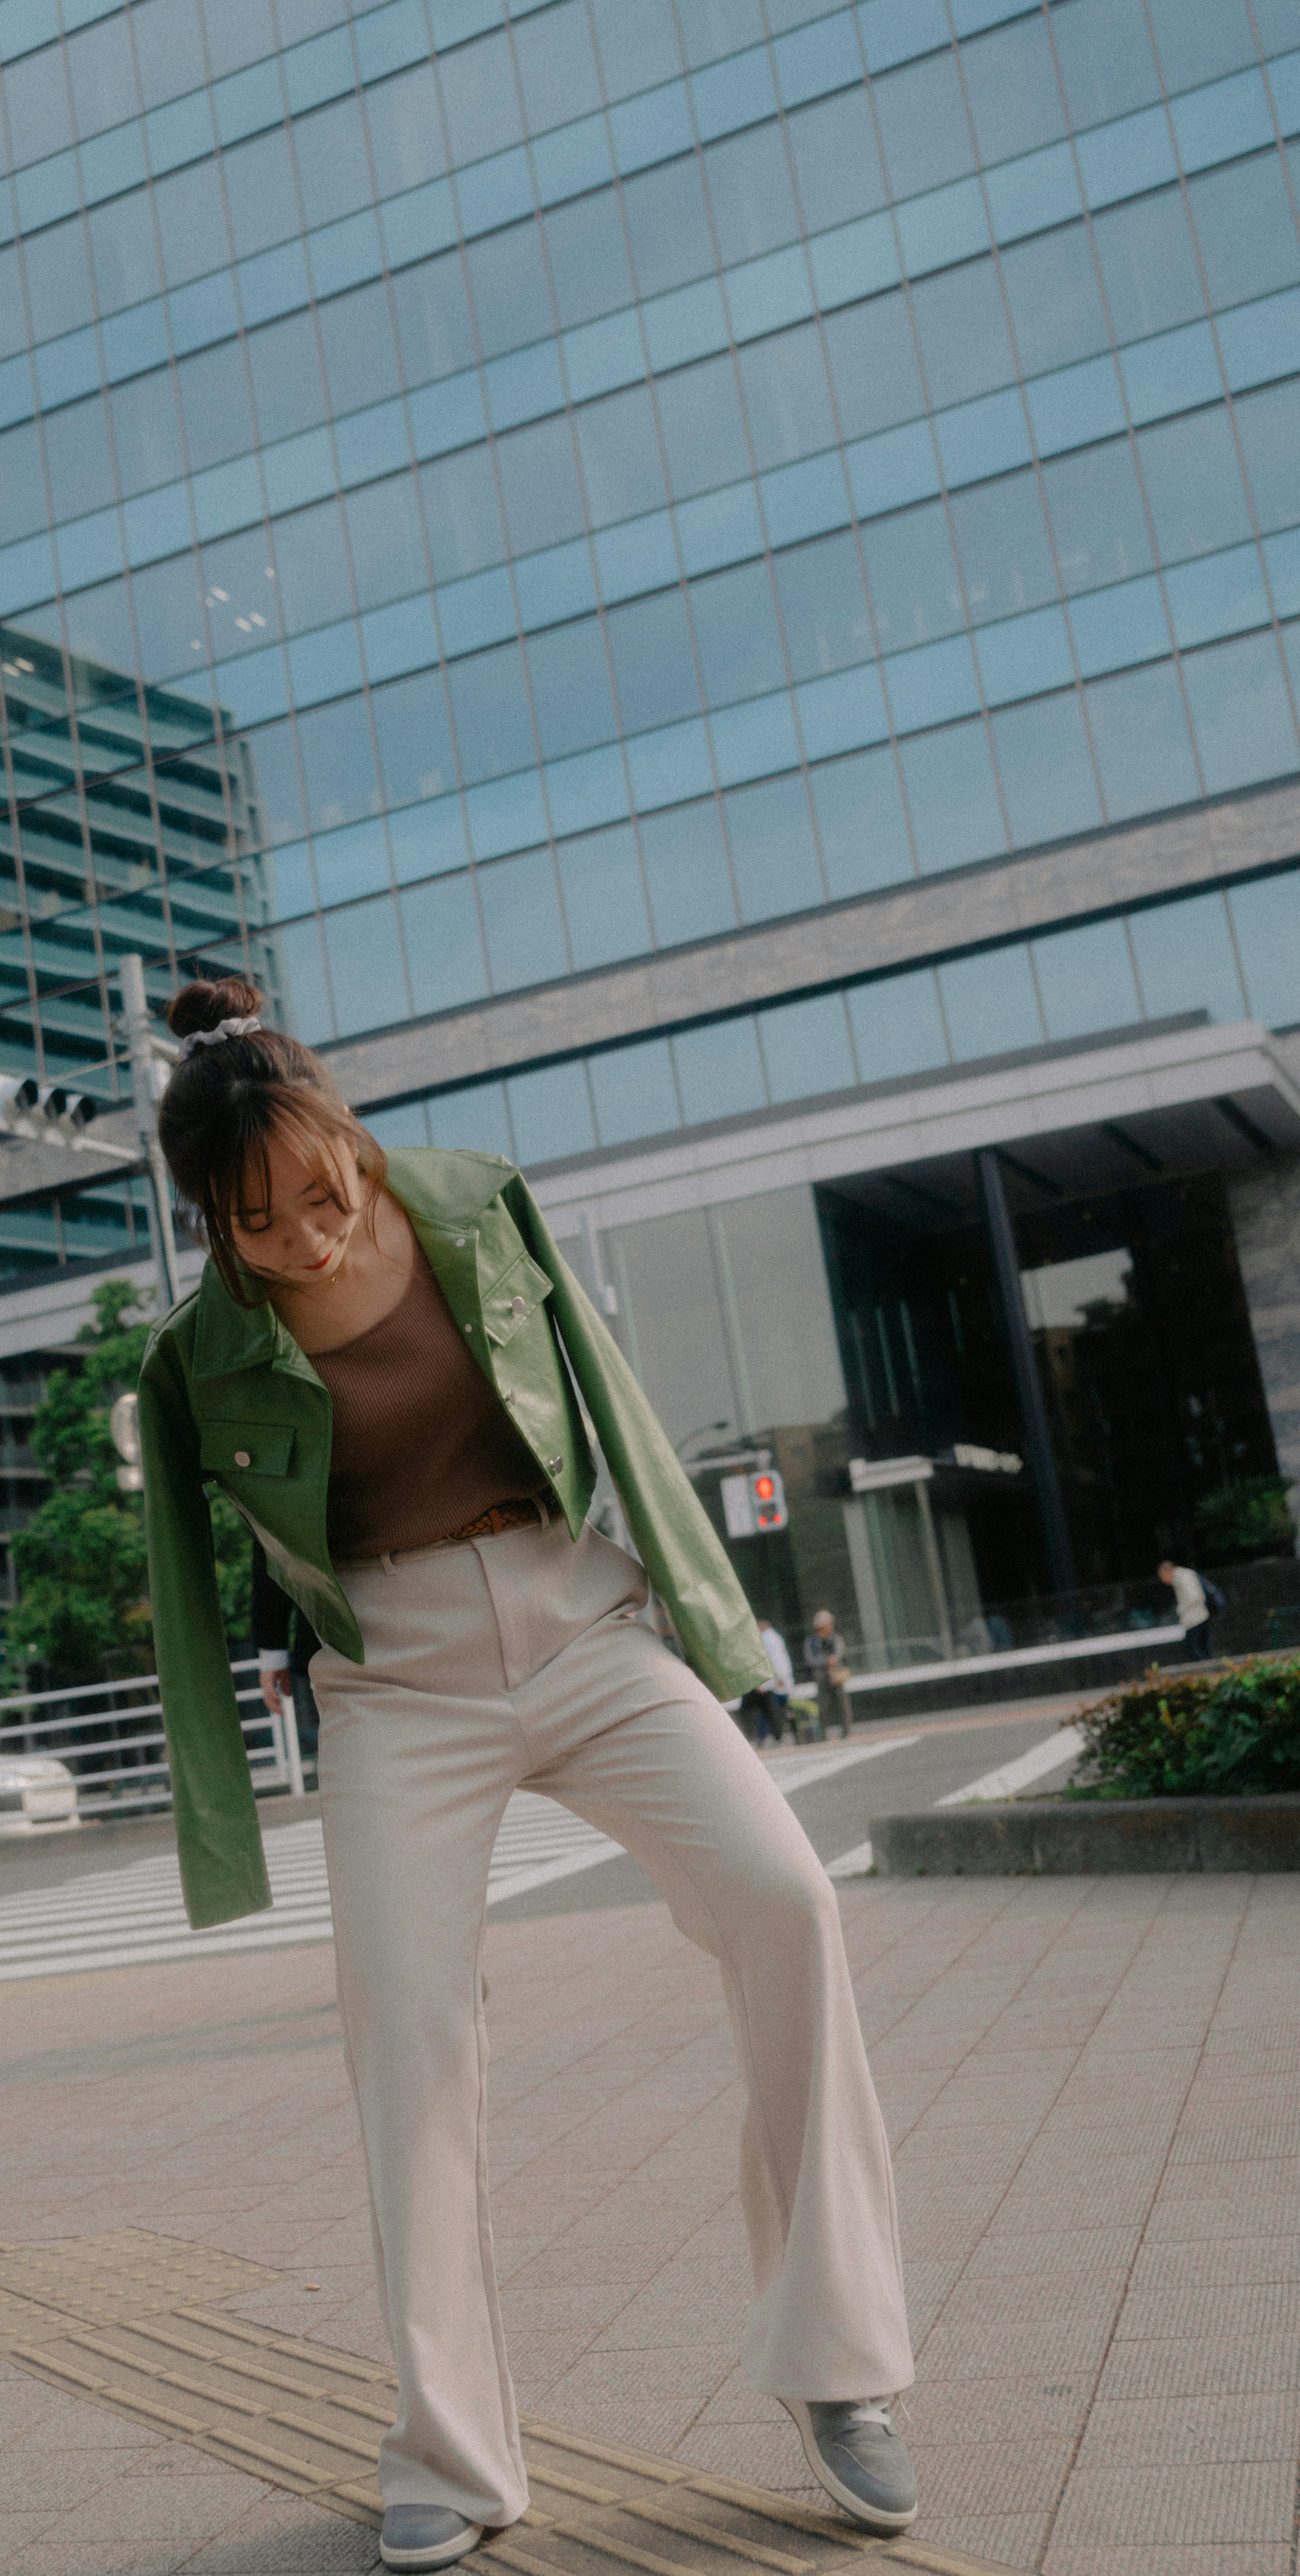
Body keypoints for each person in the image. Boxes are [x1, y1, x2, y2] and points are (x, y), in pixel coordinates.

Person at [139, 979, 915, 2572]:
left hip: (577, 1610)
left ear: (347, 1126)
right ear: (211, 1219)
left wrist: (711, 1618)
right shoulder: (197, 1356)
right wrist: (221, 1809)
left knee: (785, 1900)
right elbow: (190, 1580)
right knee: (407, 2038)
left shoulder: (480, 1204)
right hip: (392, 1679)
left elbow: (614, 1403)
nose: (304, 1229)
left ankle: (842, 2368)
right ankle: (450, 2445)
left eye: (321, 1182)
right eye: (257, 1216)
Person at [806, 1609, 853, 1737]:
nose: (831, 1626)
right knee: (822, 1706)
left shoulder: (836, 1638)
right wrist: (826, 1661)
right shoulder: (811, 1642)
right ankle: (822, 1735)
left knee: (843, 1704)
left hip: (836, 1677)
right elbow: (811, 1660)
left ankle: (846, 1732)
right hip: (821, 1677)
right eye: (828, 1624)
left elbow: (840, 1652)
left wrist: (835, 1659)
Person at [1158, 1558, 1216, 1662]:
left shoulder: (1182, 1577)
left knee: (1195, 1649)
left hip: (1195, 1619)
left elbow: (1195, 1596)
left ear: (1166, 1572)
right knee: (1203, 1649)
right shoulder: (1181, 1576)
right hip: (1198, 1617)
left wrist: (1180, 1610)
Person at [753, 1616, 795, 1745]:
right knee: (784, 1712)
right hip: (781, 1681)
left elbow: (774, 1660)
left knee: (771, 1713)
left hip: (776, 1682)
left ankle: (765, 1737)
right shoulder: (777, 1638)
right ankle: (793, 1735)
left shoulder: (768, 1639)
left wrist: (777, 1678)